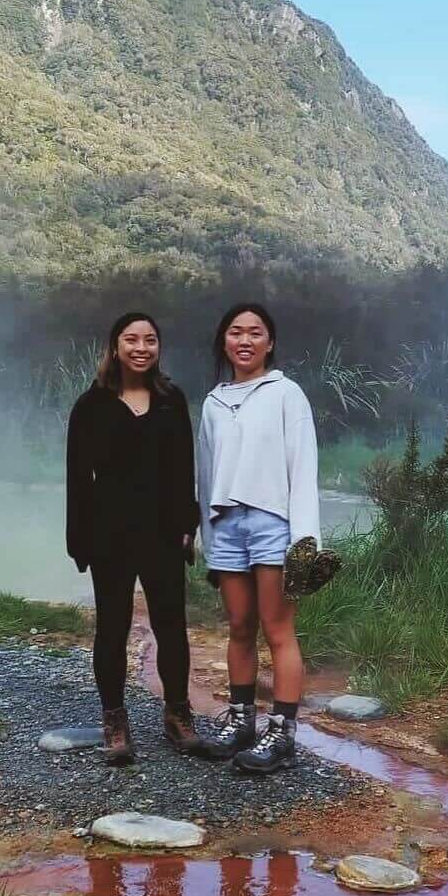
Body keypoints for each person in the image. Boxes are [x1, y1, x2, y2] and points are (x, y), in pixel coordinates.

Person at [66, 311, 205, 765]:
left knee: (171, 625)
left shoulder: (171, 399)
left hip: (163, 531)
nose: (141, 347)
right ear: (115, 346)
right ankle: (114, 720)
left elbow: (185, 467)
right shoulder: (92, 405)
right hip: (109, 533)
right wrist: (78, 539)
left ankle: (178, 713)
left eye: (150, 340)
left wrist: (190, 524)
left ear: (158, 348)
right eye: (132, 339)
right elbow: (77, 478)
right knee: (112, 626)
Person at [196, 302, 320, 775]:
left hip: (273, 523)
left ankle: (282, 732)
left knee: (278, 629)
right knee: (240, 626)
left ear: (270, 342)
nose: (244, 341)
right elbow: (205, 474)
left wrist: (305, 542)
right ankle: (241, 721)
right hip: (226, 524)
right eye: (235, 332)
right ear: (223, 341)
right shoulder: (213, 403)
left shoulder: (286, 394)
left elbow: (303, 467)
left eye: (254, 333)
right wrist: (207, 536)